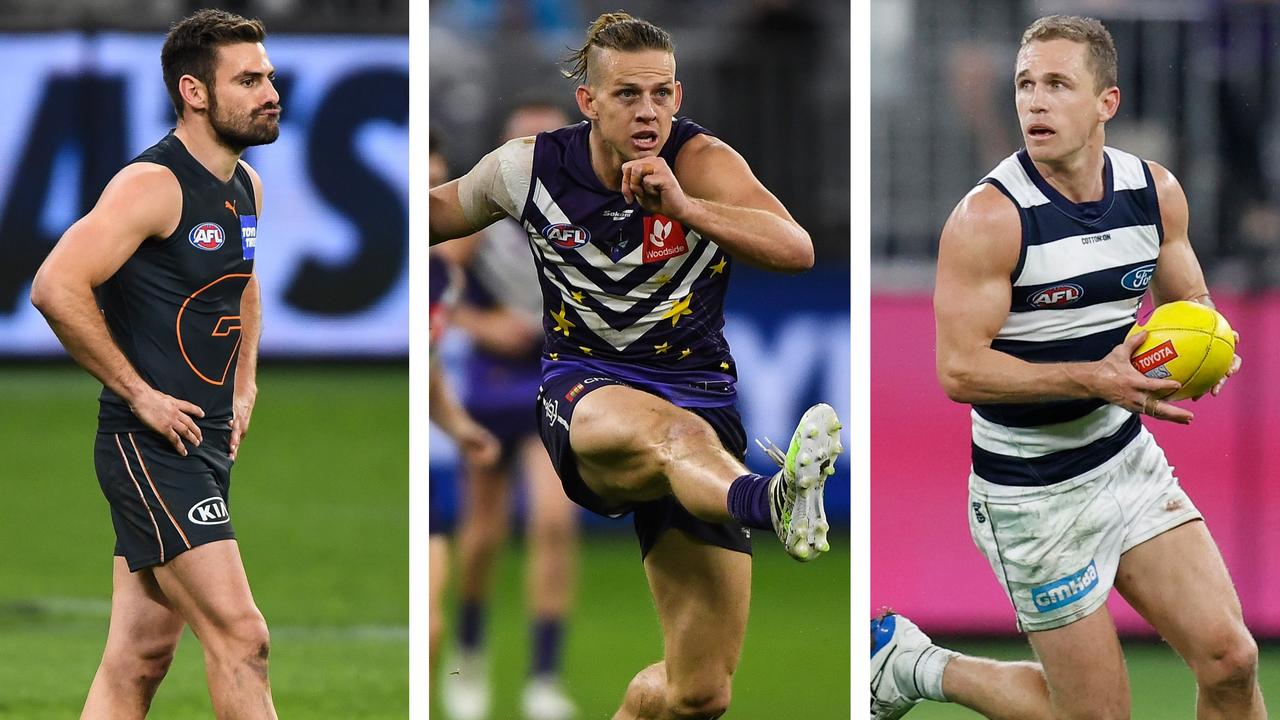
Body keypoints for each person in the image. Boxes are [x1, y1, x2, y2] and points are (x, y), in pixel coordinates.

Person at [430, 12, 843, 720]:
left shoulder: (703, 163)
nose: (646, 110)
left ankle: (751, 500)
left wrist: (685, 206)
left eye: (660, 93)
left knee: (698, 693)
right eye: (626, 95)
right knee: (672, 436)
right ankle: (770, 501)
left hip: (701, 397)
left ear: (678, 96)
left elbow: (796, 247)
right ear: (589, 102)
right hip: (585, 393)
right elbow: (432, 218)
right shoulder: (528, 168)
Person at [872, 15, 1259, 720]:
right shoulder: (988, 219)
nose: (1034, 102)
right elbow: (959, 372)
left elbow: (1194, 302)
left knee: (1232, 660)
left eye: (1056, 84)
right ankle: (917, 664)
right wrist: (1094, 377)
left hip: (1124, 460)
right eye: (1024, 85)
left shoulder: (1153, 193)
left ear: (1105, 103)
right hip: (1030, 493)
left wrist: (1212, 347)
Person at [29, 9, 282, 718]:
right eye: (249, 79)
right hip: (152, 446)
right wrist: (137, 393)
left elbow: (243, 280)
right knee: (242, 636)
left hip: (201, 445)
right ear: (195, 93)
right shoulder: (151, 184)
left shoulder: (245, 188)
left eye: (269, 76)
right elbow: (55, 286)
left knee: (137, 660)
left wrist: (245, 381)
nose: (270, 91)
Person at [433, 101, 582, 720]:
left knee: (553, 523)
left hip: (555, 383)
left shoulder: (584, 216)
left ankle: (544, 678)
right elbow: (435, 286)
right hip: (493, 386)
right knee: (483, 536)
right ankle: (468, 653)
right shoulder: (479, 220)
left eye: (543, 140)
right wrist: (482, 325)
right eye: (521, 140)